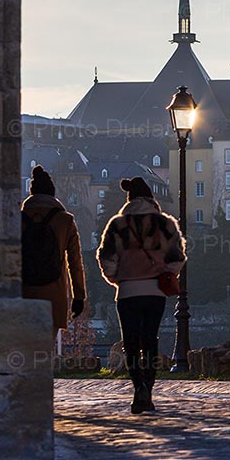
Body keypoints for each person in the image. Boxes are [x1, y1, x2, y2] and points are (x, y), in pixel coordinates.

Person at [97, 176, 186, 415]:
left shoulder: (117, 225)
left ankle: (138, 388)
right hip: (155, 291)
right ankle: (149, 385)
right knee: (150, 339)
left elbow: (106, 259)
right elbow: (177, 258)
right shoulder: (165, 224)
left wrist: (117, 279)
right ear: (151, 198)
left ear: (130, 199)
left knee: (131, 343)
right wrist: (165, 275)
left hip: (127, 292)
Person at [21, 165, 86, 335]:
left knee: (23, 352)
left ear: (31, 193)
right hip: (53, 294)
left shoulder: (15, 219)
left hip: (23, 295)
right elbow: (75, 262)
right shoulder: (65, 221)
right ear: (52, 193)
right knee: (44, 353)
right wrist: (78, 296)